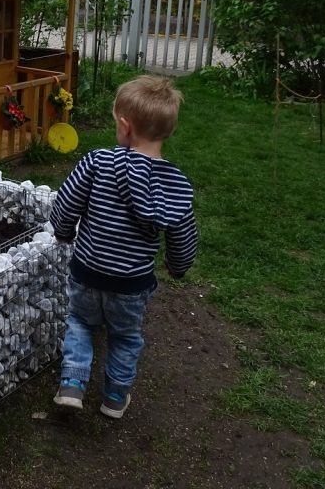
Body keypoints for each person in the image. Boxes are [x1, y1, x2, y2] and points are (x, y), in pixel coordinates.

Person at [49, 74, 197, 418]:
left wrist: (63, 231)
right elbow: (182, 234)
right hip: (131, 284)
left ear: (125, 126)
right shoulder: (177, 185)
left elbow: (67, 203)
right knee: (125, 337)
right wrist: (178, 265)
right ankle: (115, 398)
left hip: (87, 273)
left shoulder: (97, 162)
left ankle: (72, 385)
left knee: (81, 324)